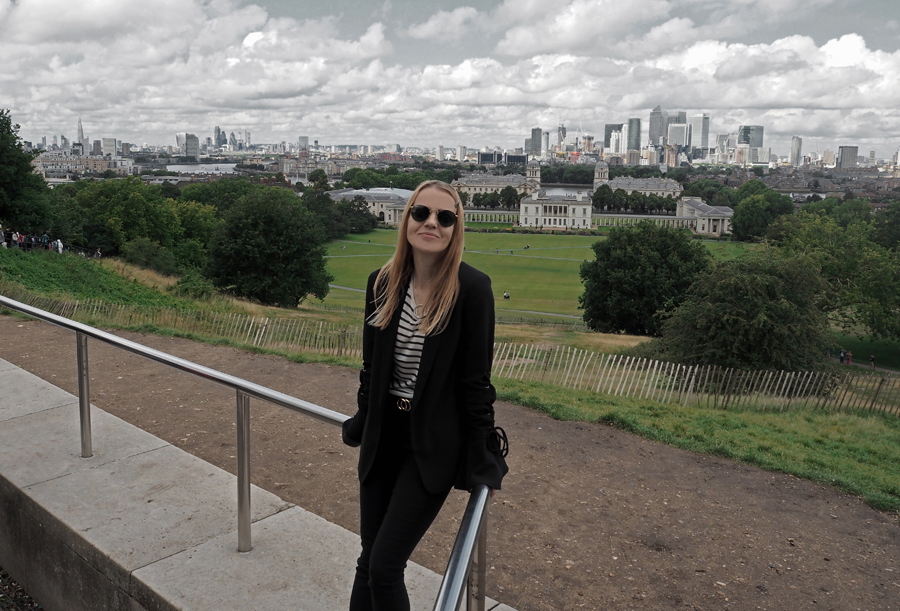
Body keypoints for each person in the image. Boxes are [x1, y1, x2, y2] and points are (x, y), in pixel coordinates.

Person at [342, 180, 508, 611]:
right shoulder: (381, 282)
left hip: (430, 443)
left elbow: (476, 383)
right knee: (367, 561)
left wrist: (482, 450)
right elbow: (371, 368)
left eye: (445, 217)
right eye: (421, 213)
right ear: (407, 218)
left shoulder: (472, 290)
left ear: (456, 229)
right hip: (384, 436)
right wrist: (362, 421)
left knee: (385, 566)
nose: (431, 223)